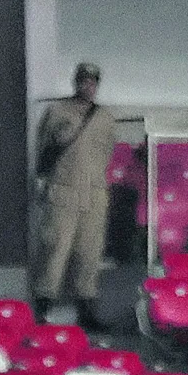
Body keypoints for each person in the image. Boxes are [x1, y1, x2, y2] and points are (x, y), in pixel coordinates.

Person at [31, 60, 118, 326]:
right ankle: (42, 306)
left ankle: (86, 308)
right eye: (83, 81)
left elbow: (107, 152)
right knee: (55, 248)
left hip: (93, 192)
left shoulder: (105, 117)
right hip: (64, 189)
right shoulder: (57, 111)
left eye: (92, 82)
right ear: (76, 82)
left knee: (89, 252)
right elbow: (43, 149)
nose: (88, 86)